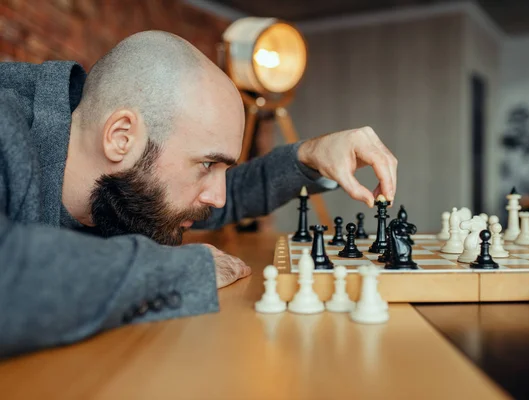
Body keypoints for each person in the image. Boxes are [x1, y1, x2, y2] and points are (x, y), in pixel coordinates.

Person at [0, 30, 398, 358]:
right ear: (121, 137)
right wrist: (182, 270)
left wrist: (307, 157)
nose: (220, 198)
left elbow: (194, 201)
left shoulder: (117, 177)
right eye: (208, 165)